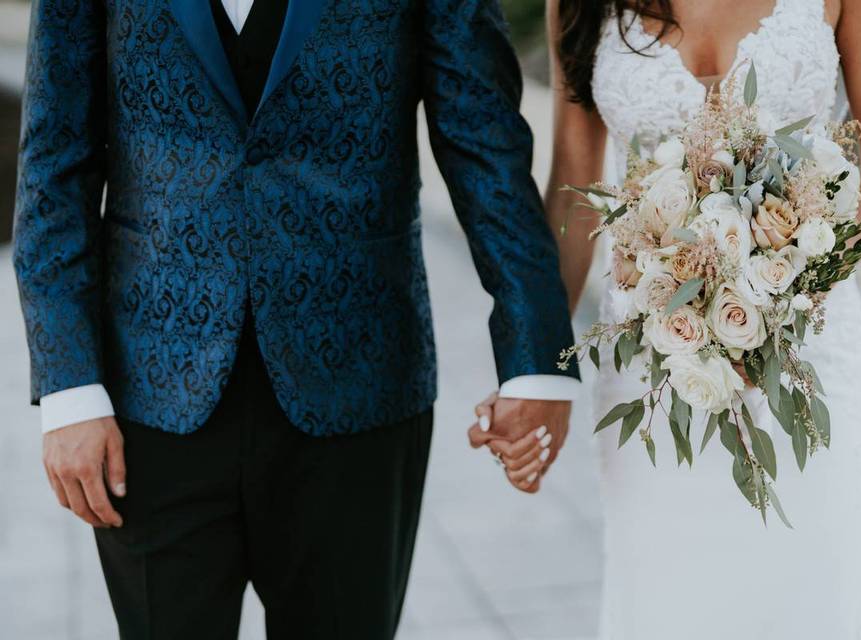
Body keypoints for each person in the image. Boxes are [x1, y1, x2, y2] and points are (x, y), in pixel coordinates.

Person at [13, 0, 580, 637]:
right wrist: (66, 384)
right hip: (150, 388)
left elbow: (485, 143)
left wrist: (540, 363)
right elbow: (54, 163)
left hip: (360, 379)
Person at [472, 0, 861, 638]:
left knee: (814, 591)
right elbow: (573, 192)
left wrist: (792, 283)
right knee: (668, 605)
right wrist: (531, 369)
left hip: (806, 355)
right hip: (651, 370)